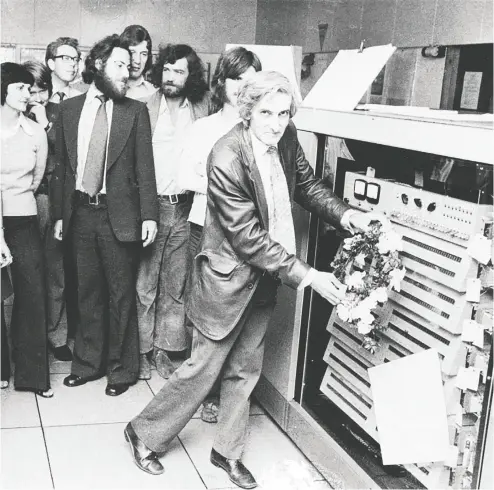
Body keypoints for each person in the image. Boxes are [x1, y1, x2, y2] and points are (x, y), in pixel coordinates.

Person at [124, 71, 387, 488]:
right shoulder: (226, 155)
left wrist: (345, 213)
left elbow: (306, 184)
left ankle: (226, 451)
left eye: (283, 113)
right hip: (228, 278)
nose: (276, 122)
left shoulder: (285, 136)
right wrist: (308, 276)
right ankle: (144, 431)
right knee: (202, 369)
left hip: (266, 275)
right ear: (247, 112)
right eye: (266, 112)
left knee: (246, 368)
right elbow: (248, 239)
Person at [51, 34, 159, 397]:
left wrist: (150, 216)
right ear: (98, 65)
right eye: (119, 66)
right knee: (87, 293)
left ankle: (120, 370)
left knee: (120, 294)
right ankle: (87, 364)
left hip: (120, 215)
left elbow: (146, 168)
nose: (126, 74)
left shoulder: (135, 111)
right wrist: (60, 216)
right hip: (80, 212)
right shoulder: (68, 110)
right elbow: (64, 169)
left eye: (129, 68)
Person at [177, 46, 261, 423]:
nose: (244, 86)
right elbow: (184, 177)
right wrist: (227, 187)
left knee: (240, 325)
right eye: (237, 78)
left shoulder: (260, 127)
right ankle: (199, 394)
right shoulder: (204, 128)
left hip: (245, 237)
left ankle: (221, 397)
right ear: (221, 83)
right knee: (207, 321)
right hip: (205, 230)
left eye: (251, 79)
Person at [135, 43, 212, 381]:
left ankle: (165, 351)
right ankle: (140, 351)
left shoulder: (201, 109)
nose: (170, 76)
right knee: (144, 284)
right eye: (166, 69)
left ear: (190, 76)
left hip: (185, 207)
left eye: (178, 70)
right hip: (151, 207)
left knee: (175, 285)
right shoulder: (145, 107)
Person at [1, 62, 52, 398]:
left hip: (22, 217)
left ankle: (33, 375)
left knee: (32, 293)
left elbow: (35, 181)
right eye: (20, 88)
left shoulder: (36, 132)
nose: (28, 94)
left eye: (29, 88)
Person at [23, 60, 73, 362]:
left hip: (52, 201)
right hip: (23, 203)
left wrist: (44, 123)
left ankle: (56, 336)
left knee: (56, 271)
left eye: (43, 90)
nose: (37, 98)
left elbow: (65, 152)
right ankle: (28, 337)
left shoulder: (57, 114)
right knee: (27, 273)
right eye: (31, 91)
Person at [120, 25, 157, 101]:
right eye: (132, 52)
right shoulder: (111, 90)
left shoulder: (153, 93)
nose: (137, 61)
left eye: (143, 54)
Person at [45, 37, 82, 102]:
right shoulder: (38, 96)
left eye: (76, 60)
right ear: (51, 64)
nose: (73, 63)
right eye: (66, 58)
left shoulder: (81, 99)